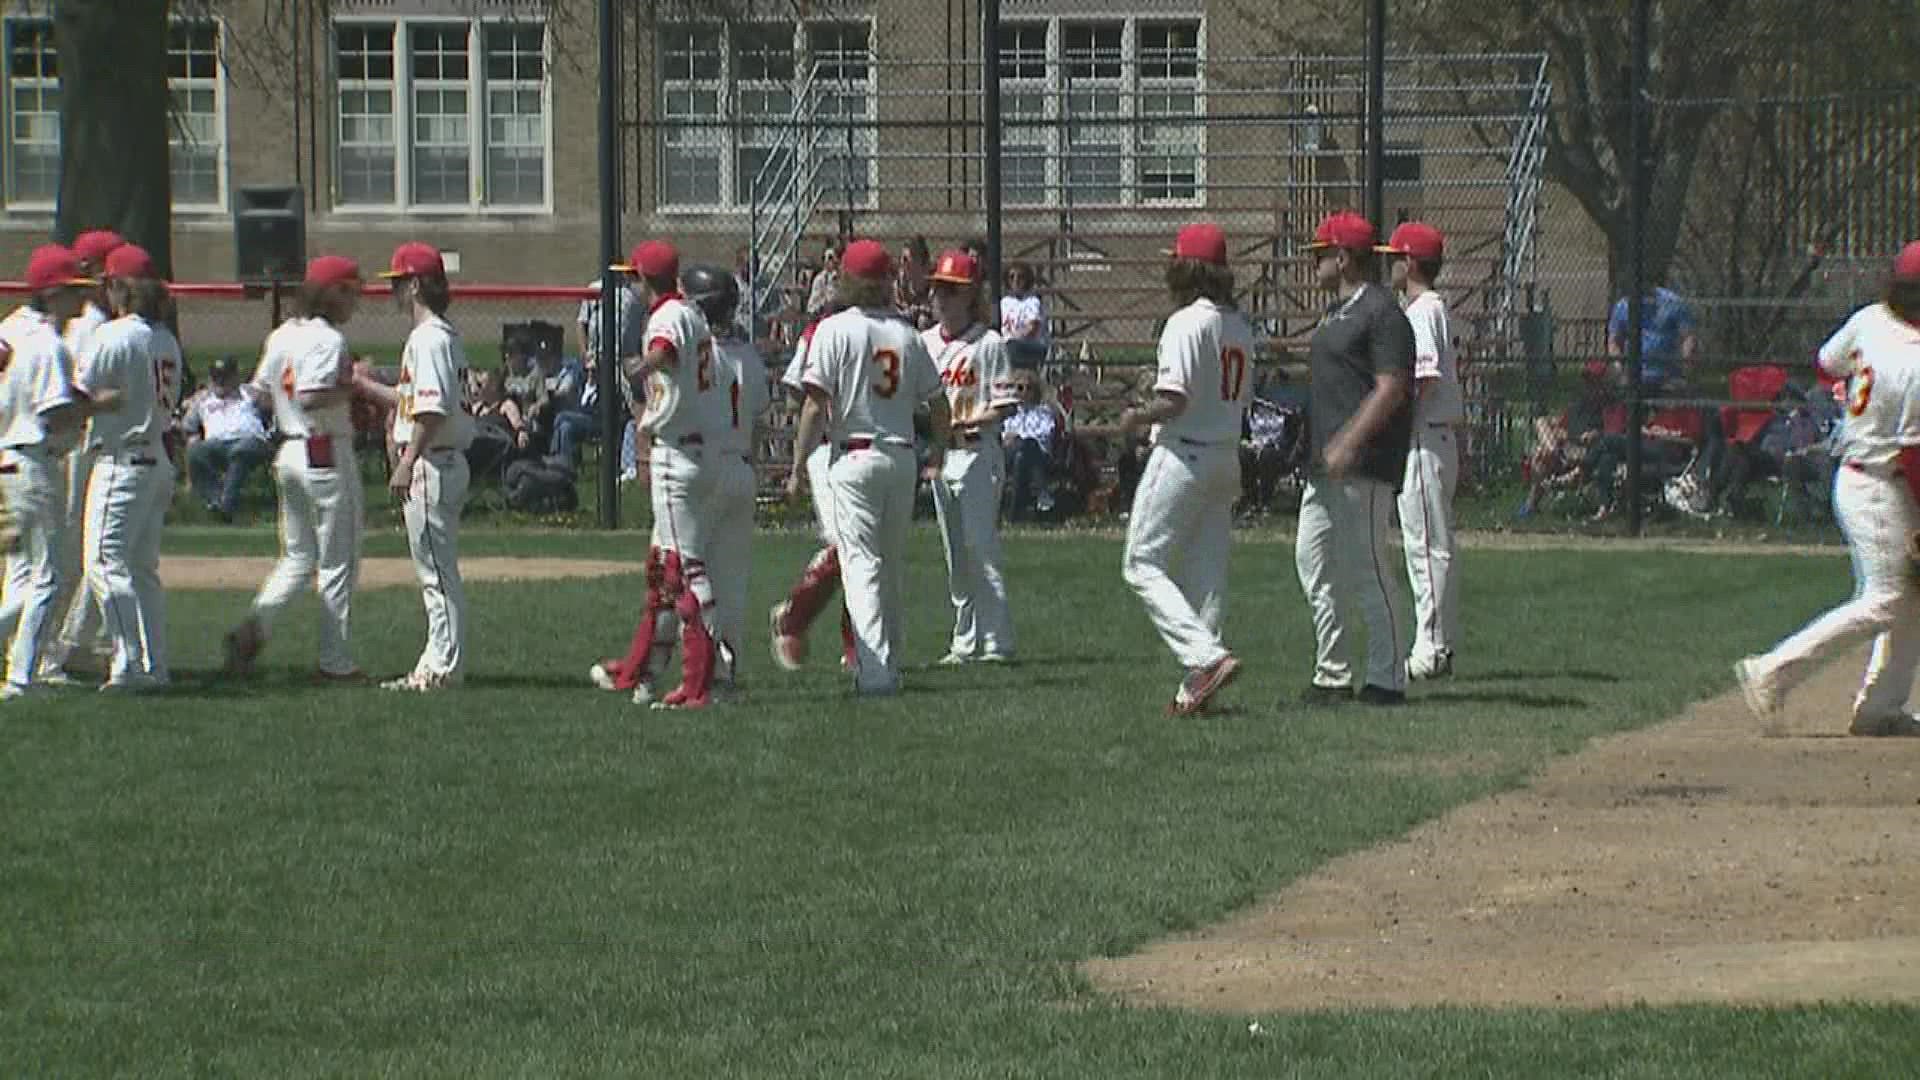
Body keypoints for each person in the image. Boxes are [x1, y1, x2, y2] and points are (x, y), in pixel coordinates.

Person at [1735, 242, 1920, 737]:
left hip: (1871, 473)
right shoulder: (1914, 361)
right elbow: (1914, 454)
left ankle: (1880, 707)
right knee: (1884, 600)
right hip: (1879, 486)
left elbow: (1825, 364)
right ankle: (1771, 672)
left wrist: (1856, 390)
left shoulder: (1871, 319)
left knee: (1910, 597)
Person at [782, 239, 947, 695]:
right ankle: (889, 661)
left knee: (862, 566)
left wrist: (797, 464)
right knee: (889, 565)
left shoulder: (834, 329)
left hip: (854, 455)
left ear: (847, 280)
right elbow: (938, 402)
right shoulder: (907, 333)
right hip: (900, 456)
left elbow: (815, 405)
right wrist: (940, 450)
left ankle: (875, 672)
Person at [1118, 223, 1256, 716]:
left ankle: (1206, 657)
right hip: (1225, 454)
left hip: (1185, 453)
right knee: (1207, 574)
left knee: (1141, 564)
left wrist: (1137, 415)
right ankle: (1196, 690)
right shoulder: (1238, 325)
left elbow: (1173, 399)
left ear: (1186, 268)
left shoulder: (1186, 322)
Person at [222, 255, 368, 682]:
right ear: (333, 292)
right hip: (323, 449)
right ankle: (335, 661)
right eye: (351, 293)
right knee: (338, 562)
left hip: (288, 450)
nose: (355, 303)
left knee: (298, 557)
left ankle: (255, 627)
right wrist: (354, 382)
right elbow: (311, 395)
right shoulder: (329, 339)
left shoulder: (283, 334)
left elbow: (261, 394)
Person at [593, 240, 722, 710]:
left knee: (684, 571)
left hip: (678, 453)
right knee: (664, 572)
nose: (631, 285)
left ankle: (705, 676)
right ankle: (643, 670)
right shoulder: (694, 315)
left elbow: (665, 353)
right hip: (696, 448)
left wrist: (638, 366)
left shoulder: (667, 316)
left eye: (633, 277)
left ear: (645, 279)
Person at [1294, 210, 1416, 707]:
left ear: (1343, 258)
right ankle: (1332, 673)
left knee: (1367, 565)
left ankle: (1388, 678)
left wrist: (1350, 440)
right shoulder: (1337, 311)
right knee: (1313, 561)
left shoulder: (1382, 312)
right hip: (1325, 461)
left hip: (1362, 461)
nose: (1315, 264)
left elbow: (1391, 388)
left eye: (1321, 254)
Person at [355, 242, 474, 692]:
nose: (395, 291)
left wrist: (406, 461)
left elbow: (431, 412)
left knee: (436, 575)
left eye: (400, 282)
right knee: (438, 572)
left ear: (418, 285)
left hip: (432, 462)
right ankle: (442, 662)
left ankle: (440, 667)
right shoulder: (445, 335)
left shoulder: (428, 339)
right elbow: (413, 403)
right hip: (442, 459)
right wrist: (364, 386)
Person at [70, 244, 177, 693]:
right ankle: (154, 666)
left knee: (103, 563)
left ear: (119, 287)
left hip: (121, 460)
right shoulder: (165, 337)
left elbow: (76, 397)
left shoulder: (113, 335)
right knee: (141, 570)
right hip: (156, 459)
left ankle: (129, 663)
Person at [0, 246, 92, 697]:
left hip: (4, 459)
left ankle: (19, 668)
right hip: (33, 459)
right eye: (75, 292)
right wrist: (91, 406)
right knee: (48, 574)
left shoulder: (7, 330)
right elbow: (55, 414)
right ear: (53, 293)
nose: (82, 302)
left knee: (20, 571)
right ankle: (21, 676)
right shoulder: (49, 344)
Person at [922, 249, 1020, 664]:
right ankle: (964, 642)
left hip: (978, 453)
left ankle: (997, 641)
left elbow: (1006, 403)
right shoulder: (923, 342)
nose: (941, 299)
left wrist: (964, 423)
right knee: (955, 555)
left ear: (970, 296)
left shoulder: (989, 342)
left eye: (951, 291)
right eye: (937, 290)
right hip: (943, 457)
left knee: (981, 550)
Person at [1380, 221, 1464, 681]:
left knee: (1426, 547)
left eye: (1394, 257)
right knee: (1435, 545)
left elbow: (1425, 376)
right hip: (1434, 436)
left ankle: (1430, 648)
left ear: (1410, 262)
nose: (1389, 265)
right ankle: (1441, 645)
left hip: (1423, 435)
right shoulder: (1429, 307)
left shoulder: (1422, 310)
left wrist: (1389, 415)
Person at [39, 229, 123, 681]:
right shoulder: (86, 327)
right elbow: (73, 396)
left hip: (85, 444)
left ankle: (67, 646)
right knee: (70, 557)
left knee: (88, 554)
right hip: (75, 446)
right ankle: (51, 652)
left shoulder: (96, 325)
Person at [767, 300, 860, 674]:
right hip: (827, 449)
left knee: (863, 554)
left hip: (868, 452)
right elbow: (797, 392)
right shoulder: (817, 332)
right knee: (847, 548)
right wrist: (799, 463)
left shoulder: (884, 329)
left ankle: (843, 639)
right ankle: (797, 617)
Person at [692, 264, 769, 689]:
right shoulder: (749, 355)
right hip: (741, 466)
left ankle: (705, 661)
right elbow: (756, 422)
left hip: (706, 466)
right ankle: (727, 666)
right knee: (732, 577)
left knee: (690, 568)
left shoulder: (699, 355)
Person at [182, 356, 272, 521]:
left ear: (235, 376)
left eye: (226, 377)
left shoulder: (249, 393)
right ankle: (217, 503)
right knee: (196, 452)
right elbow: (190, 430)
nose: (221, 382)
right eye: (217, 377)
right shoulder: (202, 399)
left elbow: (272, 411)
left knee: (241, 452)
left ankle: (226, 506)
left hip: (249, 441)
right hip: (215, 445)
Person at [1002, 369, 1066, 521]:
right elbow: (1002, 435)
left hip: (1039, 456)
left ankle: (1014, 513)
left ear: (1034, 391)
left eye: (1027, 388)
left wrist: (1018, 438)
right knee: (1021, 452)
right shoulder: (1008, 413)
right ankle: (1041, 496)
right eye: (1018, 387)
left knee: (1025, 450)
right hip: (1008, 455)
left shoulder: (1043, 412)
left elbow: (1044, 435)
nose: (1022, 391)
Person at [998, 262, 1049, 367]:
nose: (1016, 281)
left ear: (1027, 280)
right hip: (1008, 346)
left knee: (1011, 348)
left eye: (1020, 277)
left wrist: (1013, 339)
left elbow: (1032, 329)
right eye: (1011, 277)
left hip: (1032, 345)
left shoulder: (1032, 301)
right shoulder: (1004, 302)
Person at [895, 235, 934, 331]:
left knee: (923, 321)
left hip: (931, 323)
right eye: (901, 258)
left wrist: (923, 310)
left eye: (906, 259)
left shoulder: (934, 282)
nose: (902, 263)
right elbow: (896, 309)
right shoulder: (901, 282)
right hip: (907, 321)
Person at [805, 241, 840, 319]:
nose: (828, 261)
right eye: (826, 258)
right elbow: (811, 307)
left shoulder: (843, 278)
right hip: (824, 316)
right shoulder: (820, 279)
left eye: (831, 257)